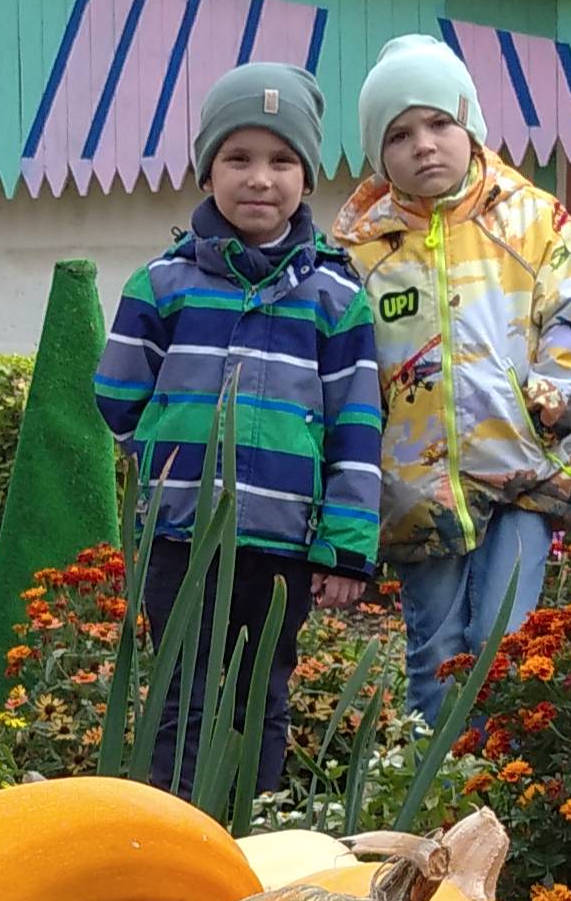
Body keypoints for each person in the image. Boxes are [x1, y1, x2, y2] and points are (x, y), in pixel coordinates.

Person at [94, 60, 382, 806]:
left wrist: (345, 545)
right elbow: (117, 393)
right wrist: (168, 457)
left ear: (306, 174)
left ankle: (256, 834)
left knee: (263, 692)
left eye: (281, 160)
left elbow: (356, 424)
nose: (260, 178)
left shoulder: (335, 296)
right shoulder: (162, 284)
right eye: (238, 158)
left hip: (280, 543)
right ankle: (169, 830)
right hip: (180, 538)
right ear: (207, 169)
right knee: (179, 691)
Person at [331, 35, 571, 723]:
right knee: (435, 652)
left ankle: (503, 792)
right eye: (399, 133)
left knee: (501, 644)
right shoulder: (358, 249)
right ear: (376, 150)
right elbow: (340, 363)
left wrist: (548, 406)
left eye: (438, 123)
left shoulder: (535, 219)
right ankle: (433, 800)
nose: (423, 144)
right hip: (416, 487)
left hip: (521, 472)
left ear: (470, 124)